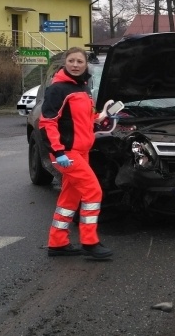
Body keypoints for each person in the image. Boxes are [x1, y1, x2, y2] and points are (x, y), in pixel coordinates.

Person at [38, 47, 115, 259]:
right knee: (93, 192)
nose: (75, 64)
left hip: (82, 151)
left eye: (79, 61)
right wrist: (58, 151)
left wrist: (100, 117)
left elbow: (84, 117)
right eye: (71, 60)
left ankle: (58, 242)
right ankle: (90, 242)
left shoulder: (83, 88)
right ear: (65, 62)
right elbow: (48, 123)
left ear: (85, 65)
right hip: (67, 153)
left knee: (69, 198)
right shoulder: (58, 89)